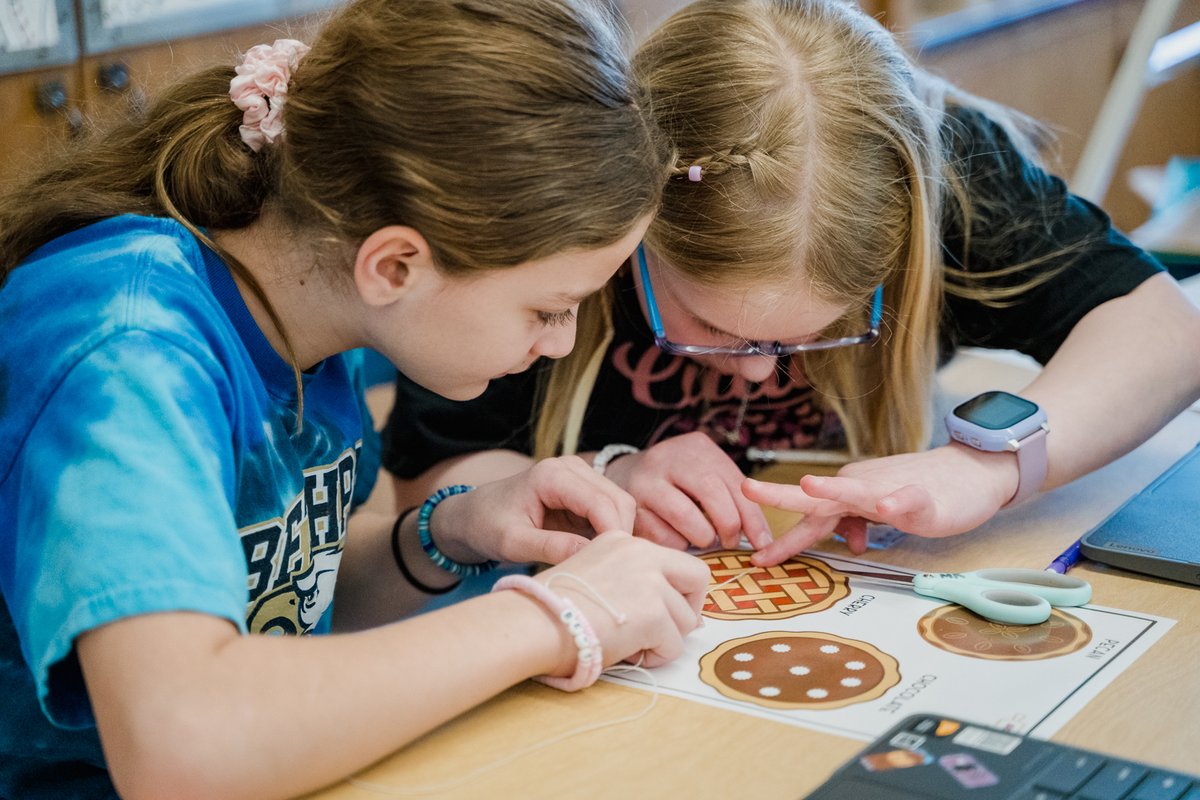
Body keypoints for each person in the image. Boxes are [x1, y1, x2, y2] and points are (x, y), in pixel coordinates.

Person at [0, 1, 712, 798]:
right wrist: (558, 619)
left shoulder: (305, 300)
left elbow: (290, 595)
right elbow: (182, 746)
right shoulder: (129, 352)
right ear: (395, 266)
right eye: (547, 308)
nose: (559, 342)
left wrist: (451, 530)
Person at [381, 0, 1200, 568]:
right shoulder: (567, 219)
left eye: (819, 328)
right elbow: (431, 483)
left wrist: (984, 469)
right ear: (633, 233)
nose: (763, 372)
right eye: (714, 326)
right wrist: (606, 475)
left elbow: (1166, 335)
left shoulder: (943, 171)